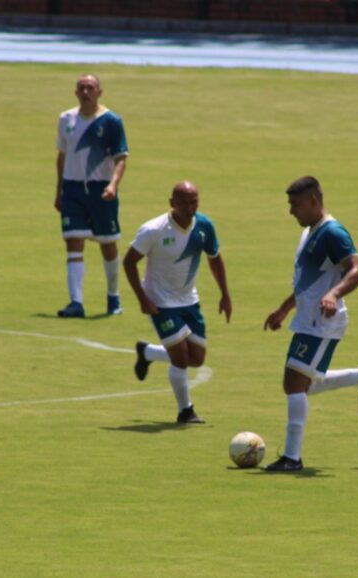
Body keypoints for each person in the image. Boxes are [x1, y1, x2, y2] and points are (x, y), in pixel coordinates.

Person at [262, 176, 358, 472]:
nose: (291, 211)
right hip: (307, 319)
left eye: (295, 204)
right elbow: (308, 282)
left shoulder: (333, 232)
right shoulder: (309, 232)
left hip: (323, 321)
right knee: (304, 385)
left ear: (314, 201)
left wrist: (334, 293)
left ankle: (292, 457)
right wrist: (283, 309)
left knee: (293, 384)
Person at [125, 181, 232, 424]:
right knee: (181, 357)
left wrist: (225, 294)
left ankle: (148, 352)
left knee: (197, 358)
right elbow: (129, 262)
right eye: (183, 202)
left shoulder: (204, 226)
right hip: (159, 301)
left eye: (193, 201)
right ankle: (186, 411)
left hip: (188, 301)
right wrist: (143, 299)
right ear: (172, 203)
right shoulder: (153, 230)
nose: (188, 207)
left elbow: (214, 258)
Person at [55, 73, 129, 319]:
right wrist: (59, 190)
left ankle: (113, 296)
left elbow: (121, 159)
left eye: (90, 88)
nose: (86, 92)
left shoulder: (111, 121)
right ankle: (76, 302)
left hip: (100, 190)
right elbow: (62, 156)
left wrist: (113, 185)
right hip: (72, 189)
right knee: (73, 243)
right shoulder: (66, 119)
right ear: (76, 93)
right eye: (81, 88)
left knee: (108, 244)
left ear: (99, 92)